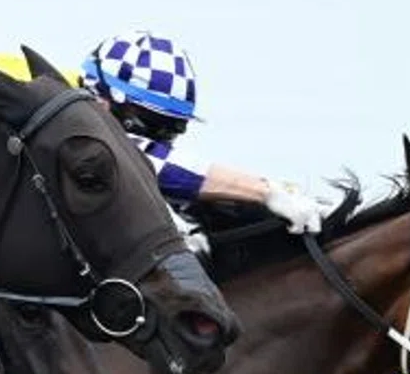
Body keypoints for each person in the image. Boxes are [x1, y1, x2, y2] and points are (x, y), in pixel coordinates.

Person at [79, 30, 331, 233]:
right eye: (151, 124)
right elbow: (147, 160)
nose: (159, 139)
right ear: (101, 97)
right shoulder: (71, 122)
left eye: (172, 128)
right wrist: (266, 191)